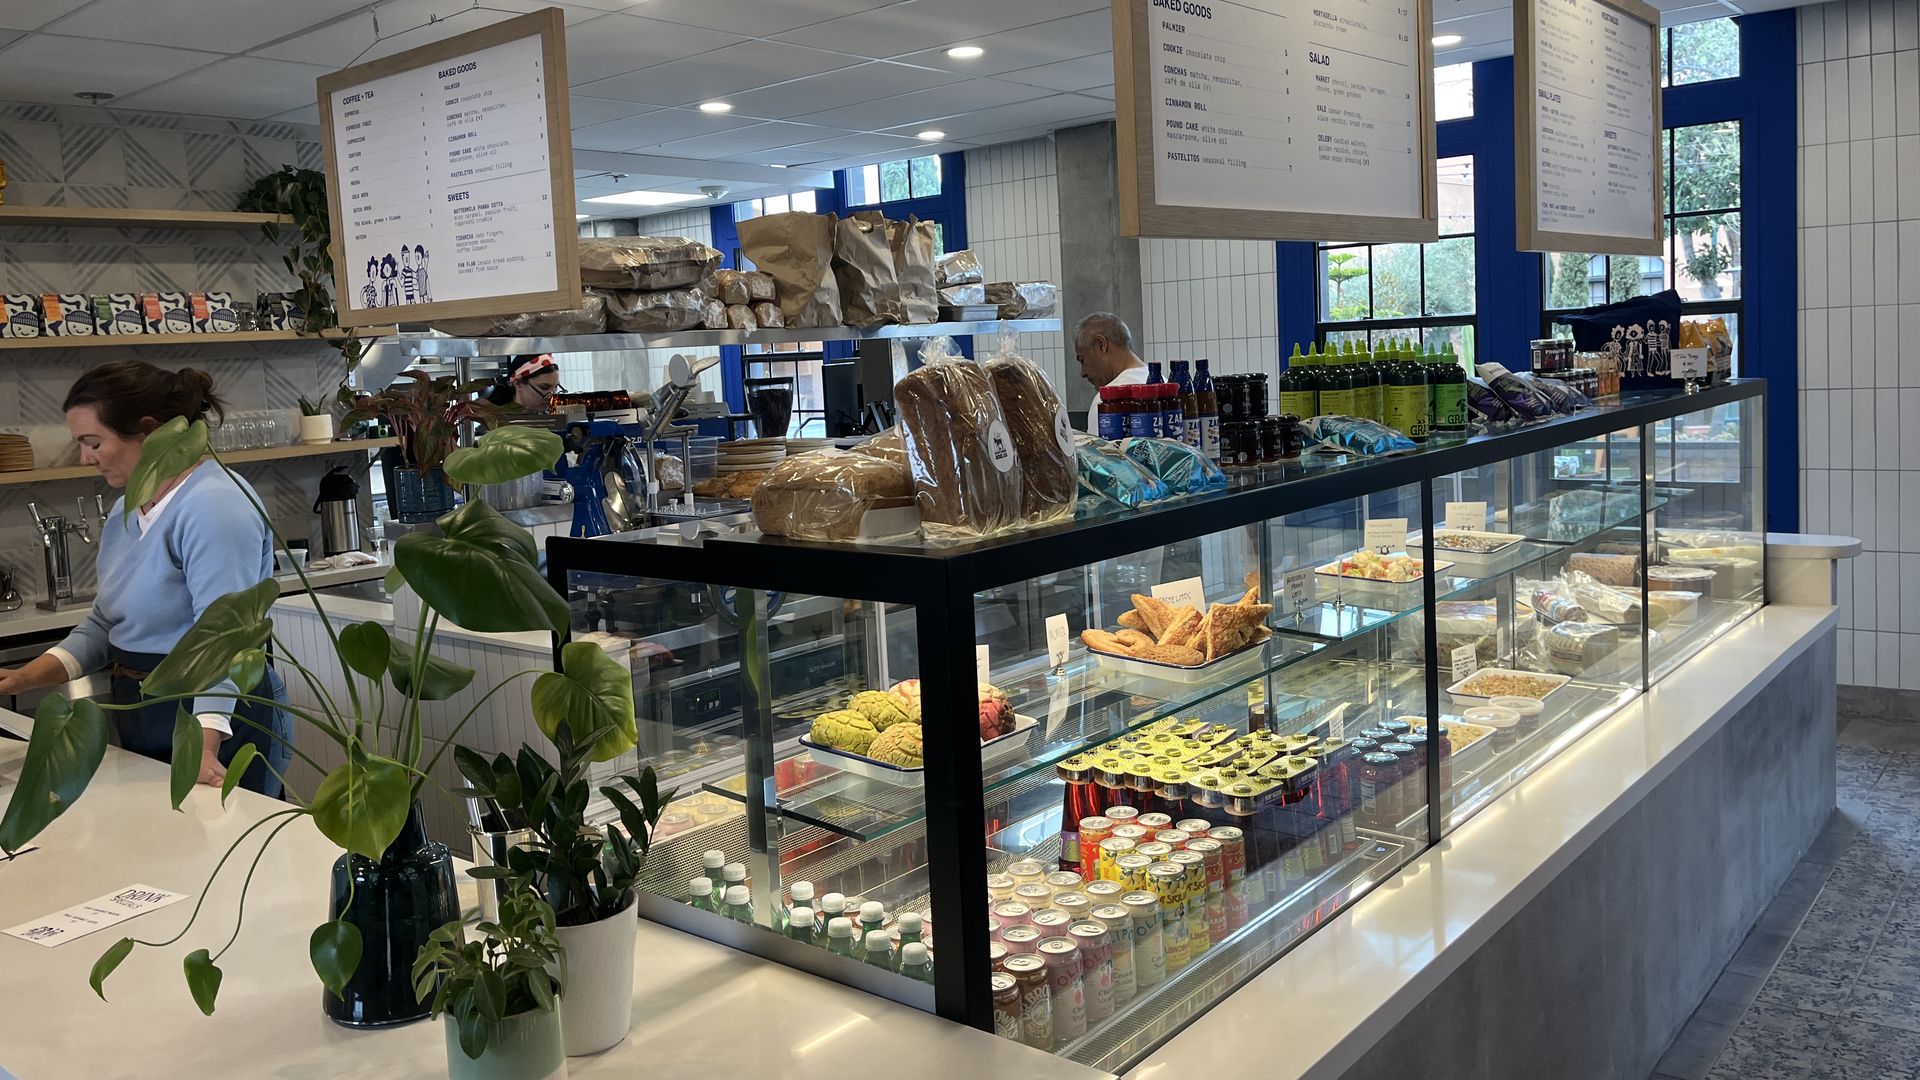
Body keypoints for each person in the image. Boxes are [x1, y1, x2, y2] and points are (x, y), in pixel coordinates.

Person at [0, 362, 293, 797]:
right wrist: (22, 678)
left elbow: (224, 642)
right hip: (145, 711)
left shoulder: (215, 506)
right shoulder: (128, 509)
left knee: (232, 856)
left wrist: (205, 745)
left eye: (93, 442)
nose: (84, 458)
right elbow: (105, 624)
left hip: (214, 716)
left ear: (150, 431)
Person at [1073, 311, 1150, 434]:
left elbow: (1098, 453)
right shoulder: (1165, 386)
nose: (1083, 373)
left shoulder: (1107, 404)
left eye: (1082, 360)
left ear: (1101, 345)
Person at [486, 353, 562, 414]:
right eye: (544, 387)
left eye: (556, 387)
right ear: (518, 384)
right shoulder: (493, 420)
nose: (551, 397)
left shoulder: (553, 418)